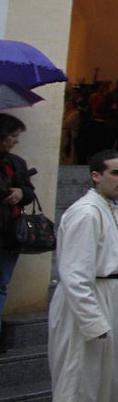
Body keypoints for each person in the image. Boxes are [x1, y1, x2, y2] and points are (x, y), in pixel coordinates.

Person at [48, 149, 118, 402]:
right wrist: (93, 322)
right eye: (116, 173)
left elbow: (116, 267)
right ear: (96, 176)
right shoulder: (86, 213)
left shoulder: (116, 211)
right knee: (80, 379)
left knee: (109, 380)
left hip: (111, 298)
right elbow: (75, 275)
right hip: (85, 304)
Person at [0, 113, 36, 353]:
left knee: (1, 283)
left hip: (8, 233)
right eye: (12, 136)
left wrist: (21, 193)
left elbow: (29, 191)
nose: (15, 141)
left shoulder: (16, 162)